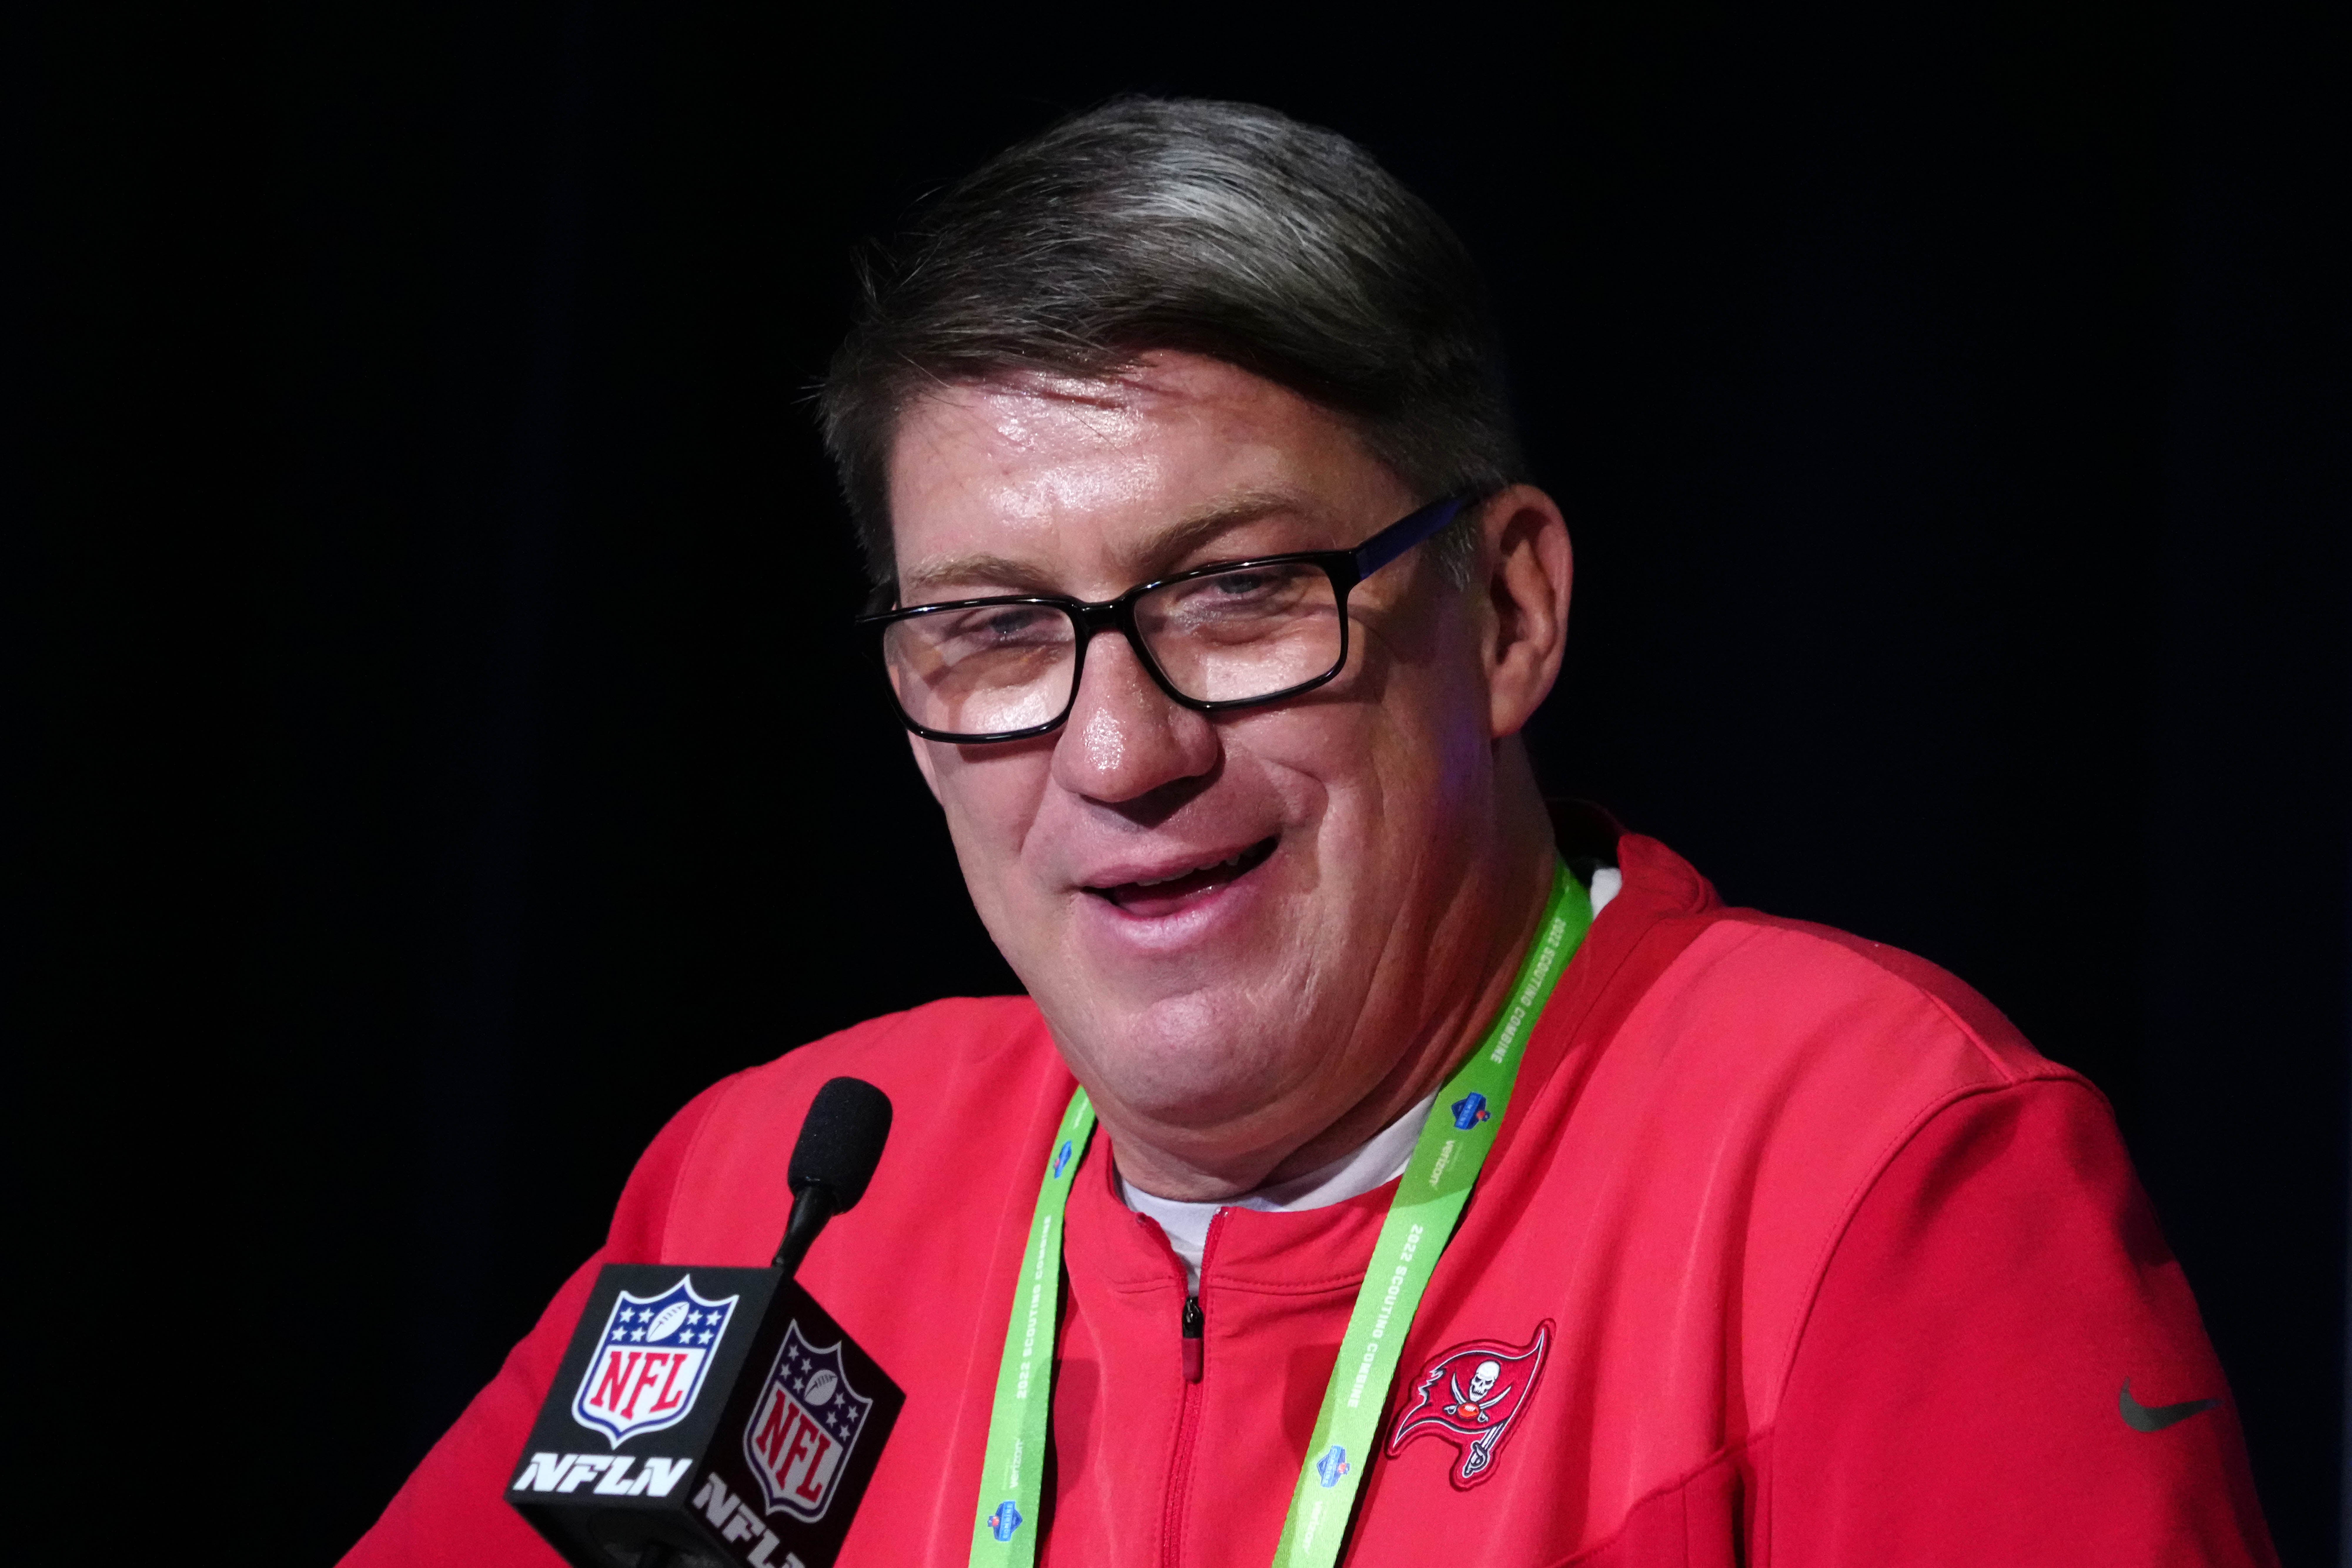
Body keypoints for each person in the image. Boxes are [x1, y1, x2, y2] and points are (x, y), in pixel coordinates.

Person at [344, 98, 2276, 1567]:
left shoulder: (1871, 1163)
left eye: (1235, 592)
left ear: (1505, 611)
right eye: (995, 630)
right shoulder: (775, 1196)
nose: (1119, 750)